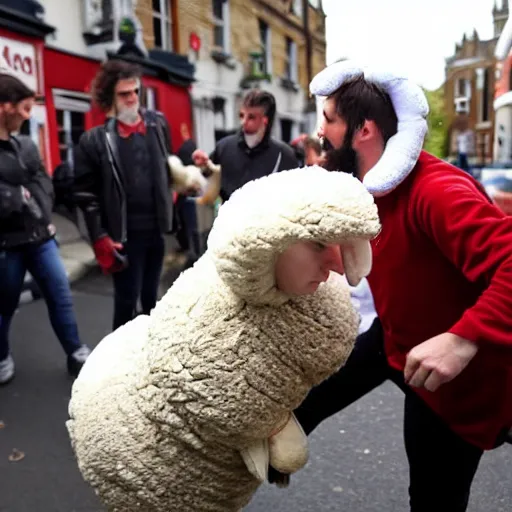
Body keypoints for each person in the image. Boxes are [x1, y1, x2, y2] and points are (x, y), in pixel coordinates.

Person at [67, 165, 380, 512]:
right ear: (268, 244)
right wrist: (273, 428)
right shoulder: (208, 305)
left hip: (218, 475)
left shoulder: (317, 309)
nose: (335, 266)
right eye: (319, 244)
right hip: (144, 453)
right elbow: (214, 399)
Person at [278, 61, 512, 511]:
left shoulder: (436, 190)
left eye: (328, 119)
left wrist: (463, 340)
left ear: (363, 130)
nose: (319, 132)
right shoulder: (363, 186)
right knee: (302, 405)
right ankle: (260, 454)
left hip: (451, 381)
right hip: (397, 339)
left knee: (432, 500)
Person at [0, 73, 90, 384]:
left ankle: (76, 352)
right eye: (24, 109)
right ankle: (1, 357)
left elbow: (42, 181)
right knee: (4, 305)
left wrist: (31, 200)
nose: (28, 116)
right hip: (6, 244)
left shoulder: (25, 144)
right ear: (5, 107)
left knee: (60, 294)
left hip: (40, 236)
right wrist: (16, 194)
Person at [73, 59, 176, 330]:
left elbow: (168, 165)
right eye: (124, 93)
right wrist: (100, 236)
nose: (132, 99)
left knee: (153, 300)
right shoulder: (95, 140)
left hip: (155, 229)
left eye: (135, 92)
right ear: (110, 97)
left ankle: (151, 359)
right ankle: (119, 364)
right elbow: (85, 195)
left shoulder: (158, 124)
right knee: (126, 301)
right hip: (124, 236)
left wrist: (178, 185)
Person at [192, 89, 298, 202]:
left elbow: (294, 198)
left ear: (265, 120)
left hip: (269, 218)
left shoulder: (284, 154)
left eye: (251, 117)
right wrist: (203, 165)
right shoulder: (224, 147)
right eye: (241, 115)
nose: (243, 121)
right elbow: (206, 182)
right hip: (230, 217)